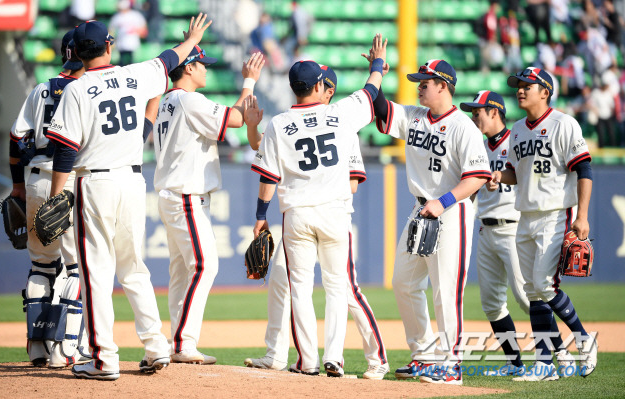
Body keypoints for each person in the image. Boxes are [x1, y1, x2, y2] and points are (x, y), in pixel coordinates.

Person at [45, 15, 213, 380]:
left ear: (76, 52)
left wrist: (55, 198)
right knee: (135, 268)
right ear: (109, 45)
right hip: (133, 182)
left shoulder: (75, 89)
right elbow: (170, 59)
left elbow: (65, 153)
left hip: (95, 183)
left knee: (96, 274)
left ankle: (104, 359)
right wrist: (194, 38)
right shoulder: (135, 74)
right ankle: (156, 347)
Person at [250, 35, 387, 377]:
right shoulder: (339, 114)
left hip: (297, 213)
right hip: (336, 212)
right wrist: (376, 65)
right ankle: (334, 358)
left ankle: (307, 361)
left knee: (300, 289)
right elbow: (371, 92)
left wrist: (260, 216)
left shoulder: (278, 124)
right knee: (336, 288)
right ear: (319, 86)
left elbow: (268, 177)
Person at [371, 59, 492, 385]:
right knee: (404, 282)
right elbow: (380, 107)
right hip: (420, 209)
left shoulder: (463, 127)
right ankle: (424, 355)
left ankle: (451, 365)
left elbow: (478, 176)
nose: (419, 85)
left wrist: (443, 202)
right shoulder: (414, 116)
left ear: (443, 85)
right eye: (419, 81)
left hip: (452, 212)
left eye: (425, 81)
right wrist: (377, 71)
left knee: (445, 290)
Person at [152, 49, 265, 365]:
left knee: (181, 272)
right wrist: (249, 81)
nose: (206, 70)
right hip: (186, 196)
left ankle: (178, 341)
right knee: (204, 266)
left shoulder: (166, 102)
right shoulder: (189, 100)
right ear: (188, 68)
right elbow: (238, 118)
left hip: (173, 194)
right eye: (202, 65)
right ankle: (183, 342)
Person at [488, 66, 597, 381]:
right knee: (534, 290)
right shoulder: (518, 129)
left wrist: (583, 215)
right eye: (518, 85)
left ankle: (580, 340)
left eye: (527, 85)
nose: (520, 89)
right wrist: (499, 177)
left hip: (553, 214)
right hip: (525, 215)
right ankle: (551, 360)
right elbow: (515, 173)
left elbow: (584, 170)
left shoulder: (564, 124)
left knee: (545, 285)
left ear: (545, 92)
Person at [9, 29, 89, 369]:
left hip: (37, 179)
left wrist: (17, 187)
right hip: (70, 179)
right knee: (76, 268)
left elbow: (16, 140)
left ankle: (38, 348)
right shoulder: (87, 89)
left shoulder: (40, 89)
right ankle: (67, 349)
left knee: (41, 266)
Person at [459, 90, 530, 376]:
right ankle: (514, 363)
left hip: (513, 228)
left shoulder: (517, 139)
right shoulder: (475, 145)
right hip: (485, 230)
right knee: (491, 304)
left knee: (527, 298)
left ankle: (557, 355)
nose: (474, 116)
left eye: (478, 112)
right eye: (473, 112)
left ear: (494, 112)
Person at [109, 0, 148, 66]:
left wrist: (135, 31)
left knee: (132, 64)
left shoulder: (135, 15)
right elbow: (111, 30)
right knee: (121, 64)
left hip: (133, 45)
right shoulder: (117, 17)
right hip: (120, 45)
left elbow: (144, 31)